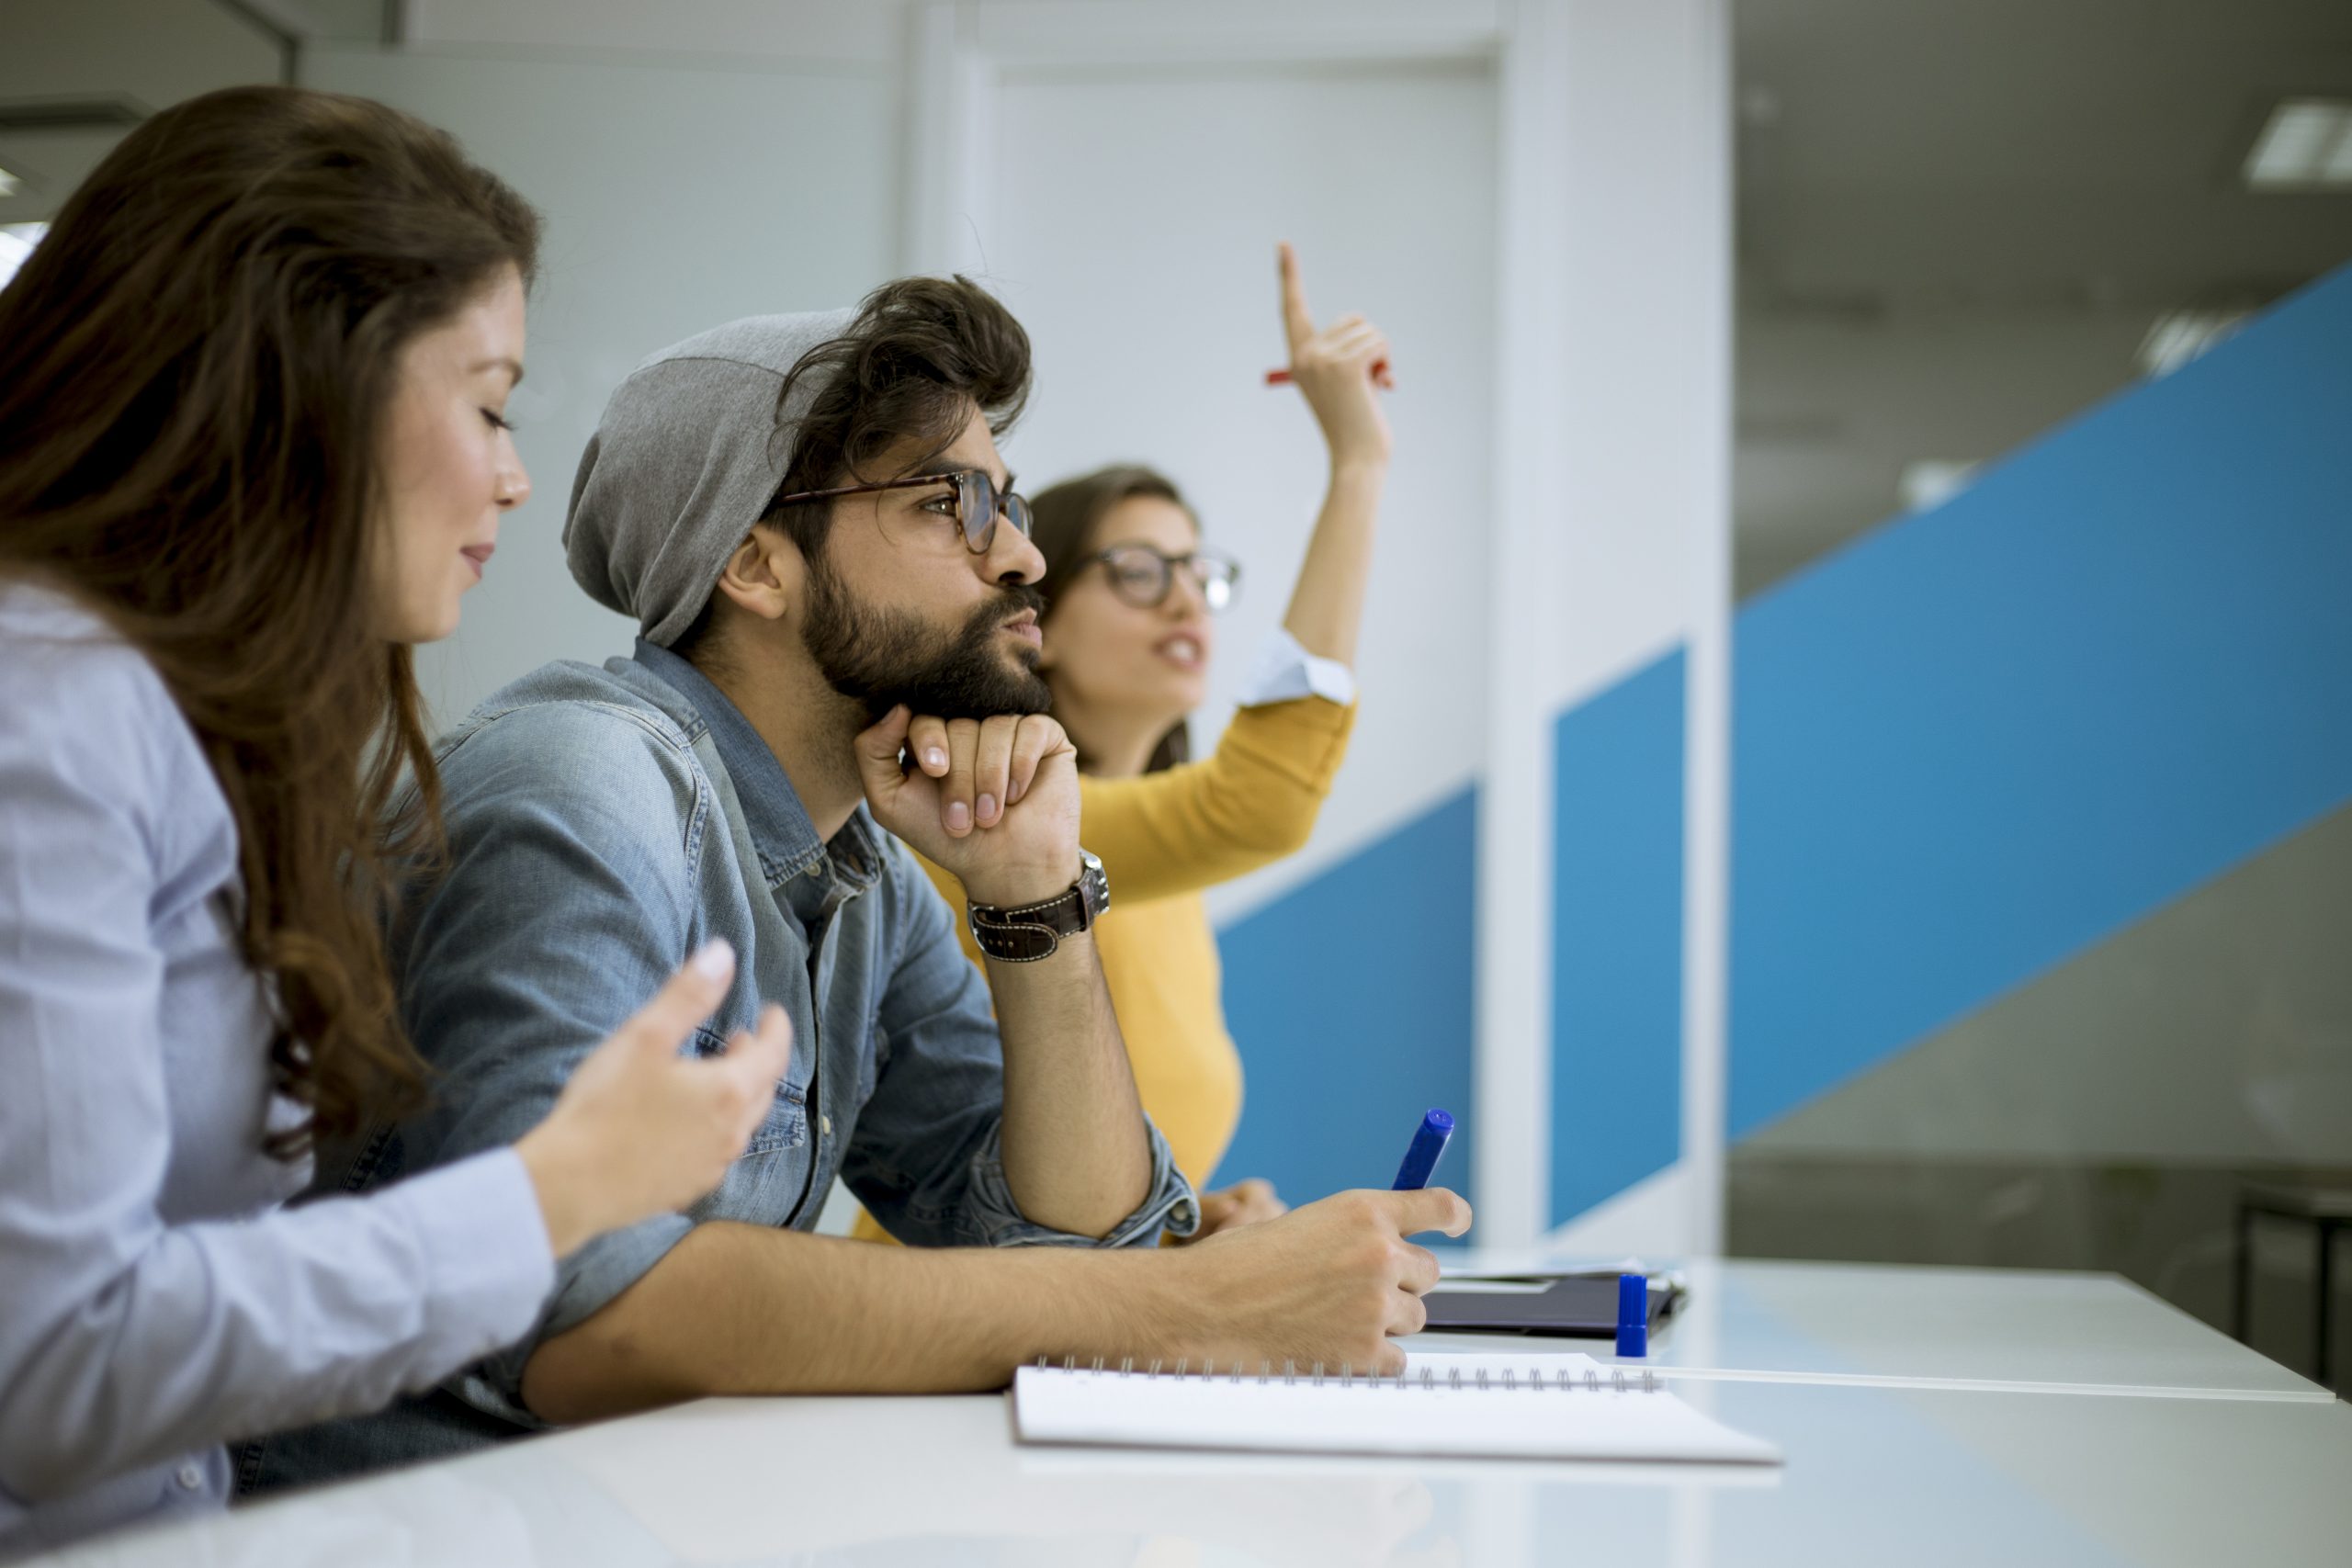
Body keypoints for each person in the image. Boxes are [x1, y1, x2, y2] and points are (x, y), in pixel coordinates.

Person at [247, 275, 1469, 1492]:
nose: (1024, 555)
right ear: (755, 565)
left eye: (1011, 501)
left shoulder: (871, 871)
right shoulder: (589, 782)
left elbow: (1083, 1235)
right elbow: (579, 1319)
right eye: (948, 501)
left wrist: (1032, 889)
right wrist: (1190, 1302)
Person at [0, 86, 792, 1557]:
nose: (513, 471)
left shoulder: (185, 720)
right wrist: (553, 1192)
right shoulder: (48, 717)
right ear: (303, 378)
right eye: (488, 400)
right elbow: (54, 1367)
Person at [851, 243, 1390, 1243]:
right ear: (1034, 607)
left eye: (1196, 570)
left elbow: (1075, 1183)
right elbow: (1262, 799)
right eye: (1137, 569)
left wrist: (1184, 1225)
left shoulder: (1160, 862)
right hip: (954, 1343)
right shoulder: (999, 811)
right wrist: (1357, 463)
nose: (1183, 596)